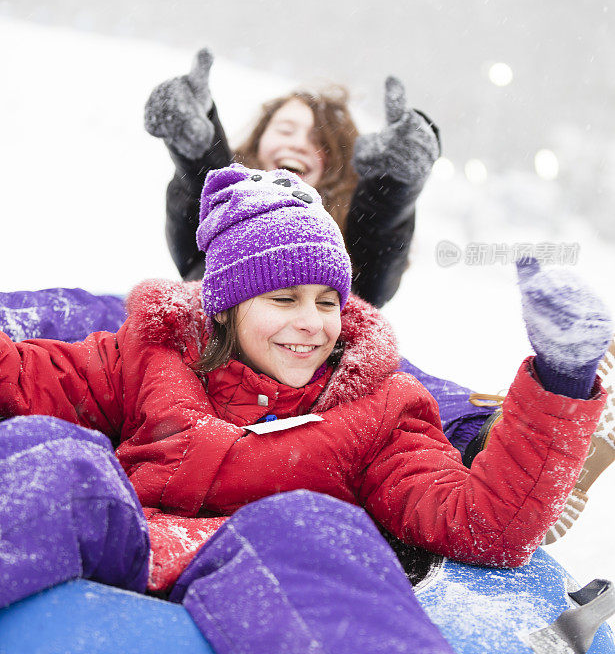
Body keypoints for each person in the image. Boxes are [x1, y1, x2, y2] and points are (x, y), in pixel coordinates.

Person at [0, 164, 611, 653]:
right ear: (227, 307)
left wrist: (561, 377)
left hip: (265, 571)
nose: (310, 324)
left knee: (311, 526)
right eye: (283, 298)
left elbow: (479, 524)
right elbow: (25, 377)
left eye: (326, 301)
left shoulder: (377, 407)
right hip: (130, 541)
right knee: (58, 458)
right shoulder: (149, 355)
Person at [144, 48, 441, 308]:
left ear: (337, 161)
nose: (299, 144)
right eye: (286, 130)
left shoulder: (355, 231)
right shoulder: (220, 211)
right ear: (259, 140)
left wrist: (395, 181)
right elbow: (200, 190)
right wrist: (196, 150)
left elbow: (381, 236)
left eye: (319, 141)